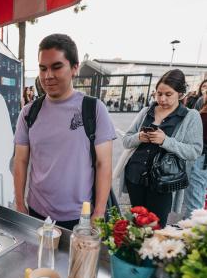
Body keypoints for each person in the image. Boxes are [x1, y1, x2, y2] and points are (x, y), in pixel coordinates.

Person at [13, 34, 115, 230]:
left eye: (56, 67)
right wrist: (19, 204)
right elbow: (20, 161)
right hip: (36, 213)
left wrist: (99, 212)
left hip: (80, 217)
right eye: (43, 68)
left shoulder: (94, 109)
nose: (48, 75)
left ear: (74, 68)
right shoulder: (28, 112)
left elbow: (104, 164)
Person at [120, 69, 203, 227]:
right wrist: (139, 137)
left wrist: (165, 141)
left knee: (156, 228)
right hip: (135, 177)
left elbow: (194, 151)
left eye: (168, 94)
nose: (162, 99)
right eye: (159, 93)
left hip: (163, 182)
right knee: (137, 226)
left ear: (180, 93)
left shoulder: (190, 116)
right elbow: (126, 140)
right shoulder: (146, 112)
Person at [183, 91, 207, 217]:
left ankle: (193, 231)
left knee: (195, 199)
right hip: (202, 159)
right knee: (199, 196)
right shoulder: (201, 113)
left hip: (200, 159)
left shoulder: (202, 116)